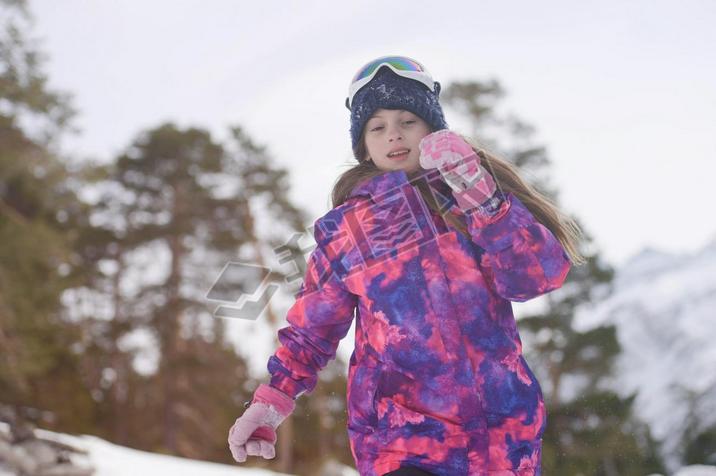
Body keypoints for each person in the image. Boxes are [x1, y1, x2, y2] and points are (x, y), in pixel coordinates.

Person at [227, 55, 585, 476]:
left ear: (433, 128)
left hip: (500, 441)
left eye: (407, 121)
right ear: (364, 145)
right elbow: (312, 330)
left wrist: (484, 202)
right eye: (376, 127)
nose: (393, 135)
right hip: (403, 441)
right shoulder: (346, 229)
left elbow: (537, 277)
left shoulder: (473, 203)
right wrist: (271, 403)